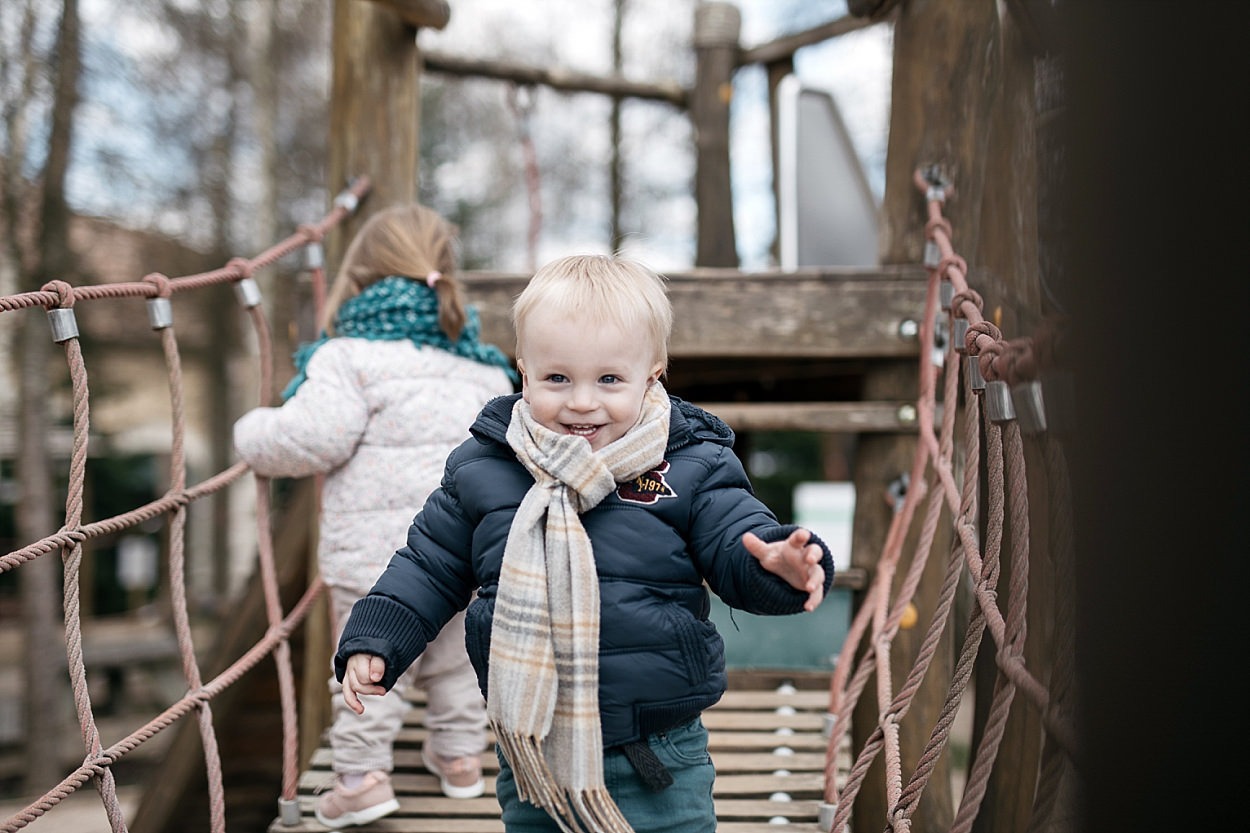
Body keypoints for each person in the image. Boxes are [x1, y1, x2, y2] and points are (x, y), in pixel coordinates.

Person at [332, 253, 835, 833]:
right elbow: (428, 564)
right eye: (557, 378)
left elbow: (733, 539)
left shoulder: (693, 464)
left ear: (653, 374)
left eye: (609, 380)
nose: (581, 402)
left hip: (657, 749)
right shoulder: (488, 467)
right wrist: (377, 639)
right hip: (531, 751)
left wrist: (778, 564)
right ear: (523, 369)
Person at [232, 203, 517, 829]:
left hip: (375, 559)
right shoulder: (484, 364)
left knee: (371, 665)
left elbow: (314, 438)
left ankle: (360, 779)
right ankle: (462, 759)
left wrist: (253, 432)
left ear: (359, 278)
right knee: (456, 661)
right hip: (466, 554)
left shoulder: (347, 357)